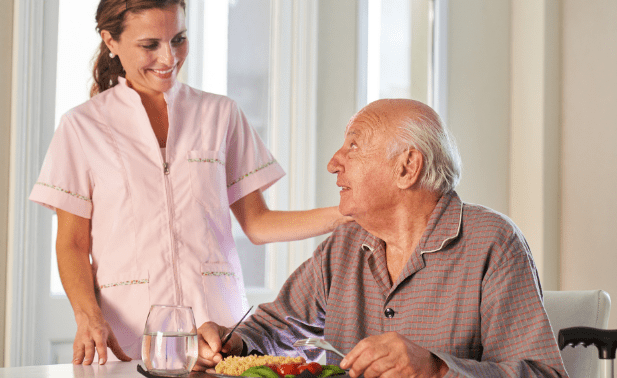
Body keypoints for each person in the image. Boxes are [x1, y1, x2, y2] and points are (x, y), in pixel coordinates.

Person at [29, 0, 348, 366]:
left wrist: (345, 215)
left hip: (222, 333)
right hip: (130, 337)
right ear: (111, 42)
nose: (169, 58)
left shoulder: (220, 114)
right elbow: (73, 244)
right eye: (150, 45)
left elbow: (258, 223)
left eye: (178, 39)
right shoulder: (82, 127)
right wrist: (88, 316)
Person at [196, 99, 569, 378]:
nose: (333, 162)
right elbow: (275, 328)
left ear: (407, 166)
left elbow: (544, 374)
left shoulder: (492, 242)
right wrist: (231, 343)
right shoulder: (345, 243)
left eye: (353, 146)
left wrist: (437, 369)